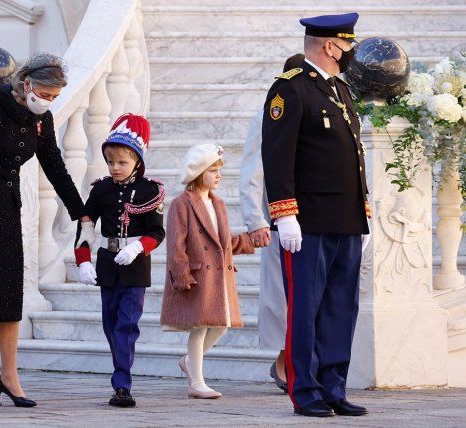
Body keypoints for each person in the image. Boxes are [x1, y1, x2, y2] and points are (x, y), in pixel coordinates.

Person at [0, 52, 95, 410]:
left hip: (8, 213)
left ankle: (9, 376)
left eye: (55, 97)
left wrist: (83, 216)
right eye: (46, 93)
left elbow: (57, 169)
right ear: (26, 84)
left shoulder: (40, 122)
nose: (49, 101)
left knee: (9, 299)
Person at [261, 13, 371, 417]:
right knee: (305, 310)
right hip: (307, 224)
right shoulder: (289, 90)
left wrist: (363, 216)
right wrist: (285, 214)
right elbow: (277, 157)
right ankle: (304, 390)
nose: (350, 55)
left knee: (341, 308)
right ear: (330, 46)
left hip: (345, 220)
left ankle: (333, 387)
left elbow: (353, 159)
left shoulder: (340, 91)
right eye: (348, 46)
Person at [74, 113, 165, 408]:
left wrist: (138, 248)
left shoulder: (150, 191)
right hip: (108, 264)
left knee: (127, 324)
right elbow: (86, 225)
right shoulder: (101, 189)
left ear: (137, 160)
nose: (115, 168)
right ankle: (120, 371)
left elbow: (156, 231)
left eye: (122, 162)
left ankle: (122, 384)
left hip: (135, 266)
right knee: (111, 324)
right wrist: (83, 261)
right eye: (111, 162)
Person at [160, 143, 256, 399]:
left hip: (219, 275)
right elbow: (176, 243)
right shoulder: (182, 204)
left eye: (218, 170)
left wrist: (249, 240)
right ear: (198, 172)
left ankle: (190, 362)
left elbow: (222, 242)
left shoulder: (218, 203)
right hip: (197, 275)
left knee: (220, 325)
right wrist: (180, 274)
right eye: (213, 170)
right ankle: (197, 382)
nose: (218, 175)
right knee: (200, 326)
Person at [239, 53, 305, 394]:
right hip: (281, 220)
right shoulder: (267, 115)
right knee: (283, 299)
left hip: (317, 219)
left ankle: (303, 363)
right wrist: (255, 220)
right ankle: (282, 363)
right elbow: (252, 173)